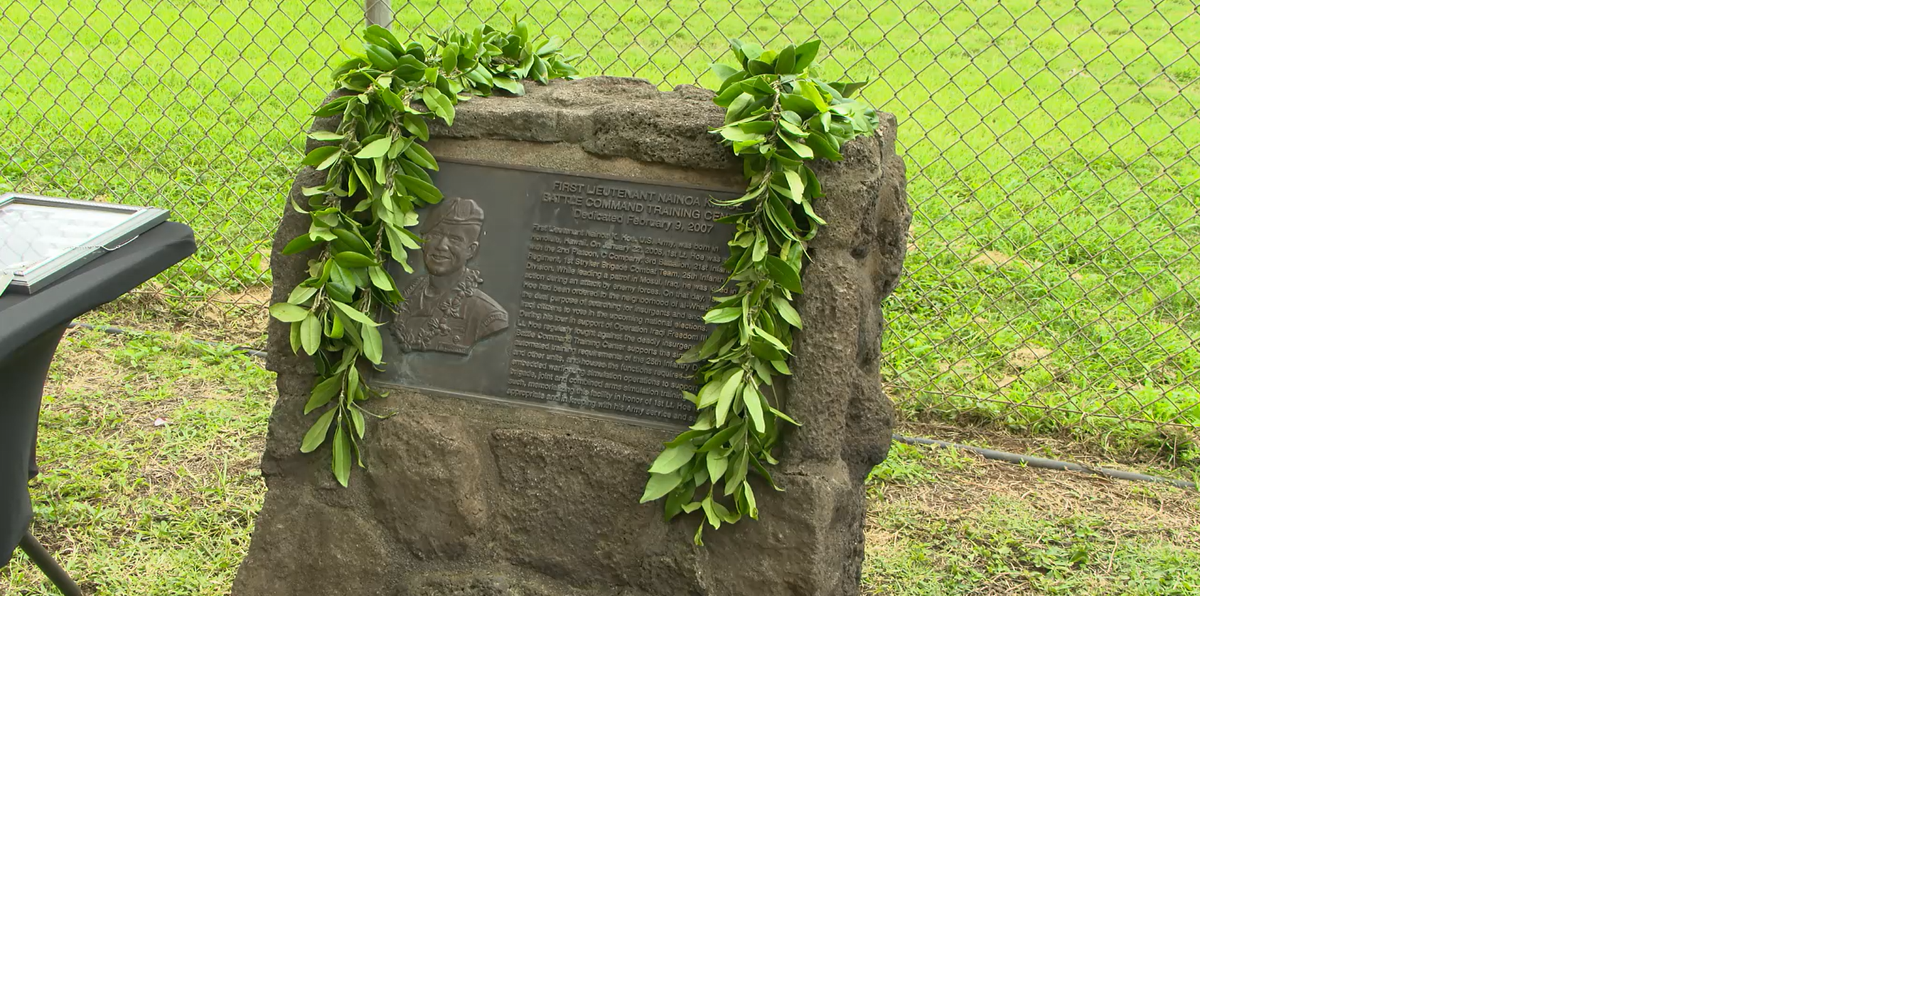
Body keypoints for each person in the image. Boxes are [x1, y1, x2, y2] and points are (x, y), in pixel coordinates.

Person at [393, 197, 509, 355]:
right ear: (423, 241)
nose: (441, 246)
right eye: (435, 235)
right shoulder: (401, 295)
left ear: (471, 250)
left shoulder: (488, 317)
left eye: (455, 239)